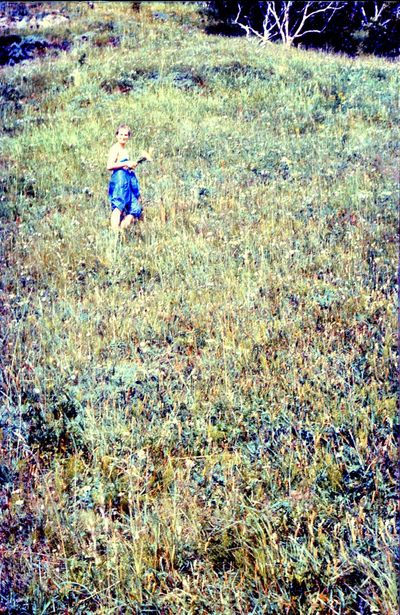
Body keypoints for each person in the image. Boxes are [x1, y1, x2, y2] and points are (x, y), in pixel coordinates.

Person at [107, 124, 143, 231]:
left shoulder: (125, 150)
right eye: (121, 134)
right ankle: (114, 232)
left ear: (128, 137)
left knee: (135, 209)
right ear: (117, 135)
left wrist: (130, 166)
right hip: (119, 180)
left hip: (127, 179)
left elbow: (123, 165)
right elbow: (109, 166)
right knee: (118, 206)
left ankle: (121, 230)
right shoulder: (115, 149)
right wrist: (126, 163)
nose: (123, 137)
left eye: (125, 135)